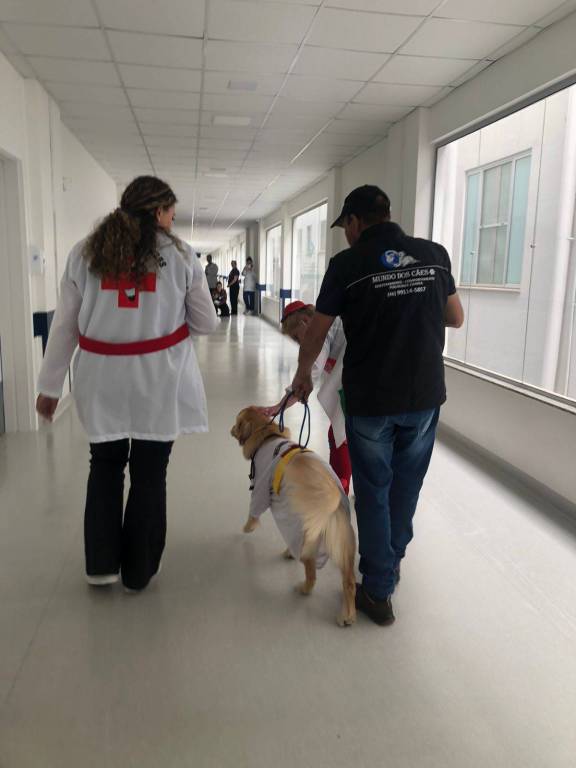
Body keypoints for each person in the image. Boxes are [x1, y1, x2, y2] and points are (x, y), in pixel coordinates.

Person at [291, 185, 464, 626]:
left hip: (371, 399)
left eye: (344, 226)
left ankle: (378, 587)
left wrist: (302, 377)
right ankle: (391, 562)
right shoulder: (435, 254)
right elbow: (455, 317)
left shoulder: (346, 265)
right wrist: (411, 302)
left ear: (355, 222)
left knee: (373, 490)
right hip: (423, 396)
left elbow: (315, 332)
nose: (345, 234)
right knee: (406, 486)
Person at [35, 176, 218, 592]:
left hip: (101, 378)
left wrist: (50, 387)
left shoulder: (85, 252)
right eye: (171, 214)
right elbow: (206, 323)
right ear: (159, 212)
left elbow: (64, 326)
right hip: (159, 378)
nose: (172, 222)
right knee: (150, 471)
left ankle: (101, 565)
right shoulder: (181, 255)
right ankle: (139, 570)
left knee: (105, 465)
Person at [261, 301, 351, 495]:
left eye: (296, 337)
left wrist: (280, 406)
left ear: (304, 321)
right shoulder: (327, 325)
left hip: (361, 385)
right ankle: (344, 486)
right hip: (358, 384)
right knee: (343, 434)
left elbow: (311, 372)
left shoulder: (320, 331)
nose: (298, 343)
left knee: (341, 436)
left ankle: (339, 490)